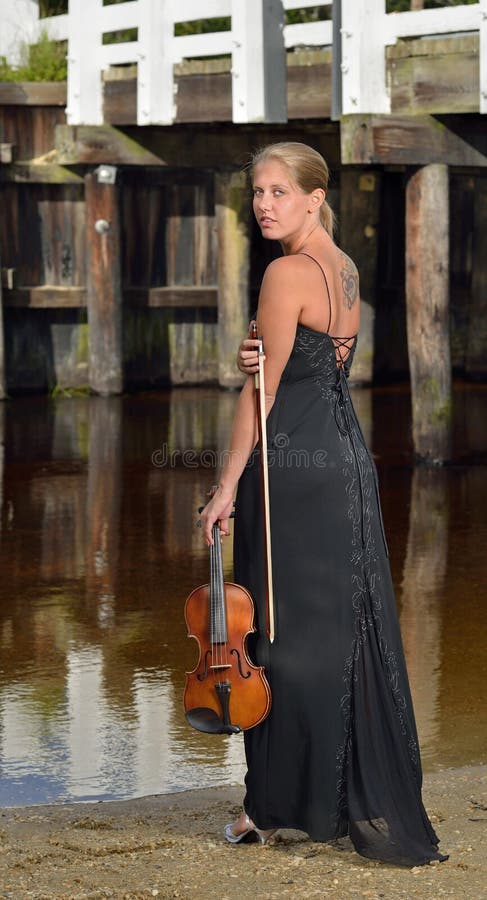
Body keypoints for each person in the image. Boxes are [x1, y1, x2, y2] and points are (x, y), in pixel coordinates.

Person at [199, 142, 447, 866]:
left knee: (278, 640)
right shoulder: (343, 268)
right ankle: (324, 798)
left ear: (313, 197)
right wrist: (256, 350)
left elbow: (263, 394)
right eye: (257, 193)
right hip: (345, 464)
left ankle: (268, 808)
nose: (265, 203)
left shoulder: (283, 273)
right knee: (335, 638)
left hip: (292, 474)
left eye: (279, 191)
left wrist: (223, 485)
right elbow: (310, 370)